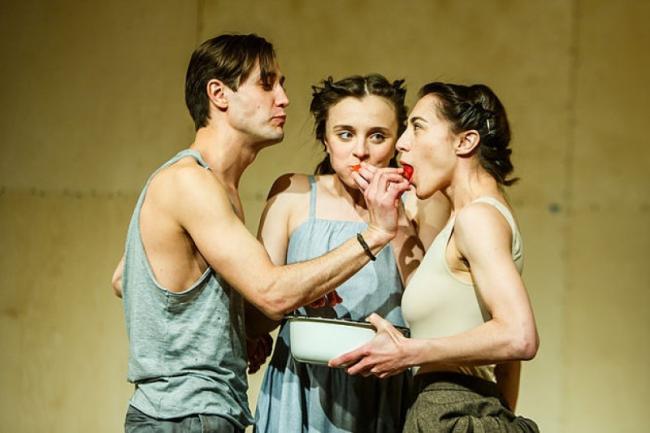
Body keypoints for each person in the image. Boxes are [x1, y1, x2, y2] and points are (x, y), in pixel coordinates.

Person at [110, 34, 410, 433]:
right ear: (218, 94)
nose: (283, 99)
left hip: (203, 410)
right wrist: (374, 235)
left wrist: (234, 330)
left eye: (281, 85)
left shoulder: (216, 187)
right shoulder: (190, 182)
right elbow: (272, 293)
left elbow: (123, 277)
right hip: (183, 414)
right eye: (267, 84)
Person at [330, 82, 540, 432]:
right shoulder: (462, 220)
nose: (401, 143)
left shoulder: (478, 217)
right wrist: (393, 218)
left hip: (454, 409)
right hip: (445, 407)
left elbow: (519, 336)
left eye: (418, 127)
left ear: (465, 142)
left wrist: (409, 352)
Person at [250, 74, 451, 433]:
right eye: (345, 134)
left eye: (377, 136)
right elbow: (258, 313)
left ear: (398, 141)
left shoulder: (423, 201)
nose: (361, 150)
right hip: (301, 384)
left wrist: (395, 220)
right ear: (325, 139)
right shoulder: (293, 192)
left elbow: (435, 313)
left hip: (384, 389)